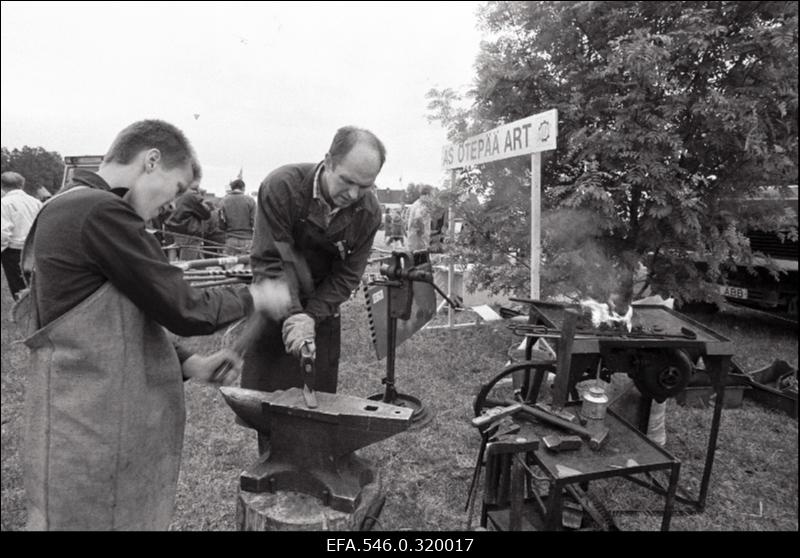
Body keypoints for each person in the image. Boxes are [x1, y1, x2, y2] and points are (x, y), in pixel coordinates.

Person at [18, 119, 291, 531]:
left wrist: (189, 364)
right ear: (151, 160)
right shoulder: (98, 210)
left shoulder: (69, 202)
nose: (173, 205)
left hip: (85, 413)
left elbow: (112, 313)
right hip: (92, 424)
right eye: (178, 189)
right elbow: (183, 306)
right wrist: (256, 295)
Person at [243, 125, 385, 453]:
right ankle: (271, 458)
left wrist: (311, 316)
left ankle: (310, 457)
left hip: (321, 310)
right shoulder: (283, 187)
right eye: (346, 181)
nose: (352, 194)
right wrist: (294, 316)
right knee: (269, 403)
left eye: (364, 186)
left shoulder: (369, 213)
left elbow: (348, 275)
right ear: (328, 161)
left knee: (315, 404)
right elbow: (270, 259)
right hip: (276, 297)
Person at [1, 171, 43, 300]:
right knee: (35, 286)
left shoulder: (4, 203)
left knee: (19, 289)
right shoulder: (35, 202)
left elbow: (3, 232)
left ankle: (24, 316)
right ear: (22, 185)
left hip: (14, 252)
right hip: (34, 249)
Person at [165, 181, 210, 260]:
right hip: (190, 233)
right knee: (187, 263)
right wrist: (202, 198)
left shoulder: (179, 194)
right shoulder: (191, 195)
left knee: (195, 262)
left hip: (179, 231)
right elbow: (206, 214)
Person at [220, 178, 256, 255]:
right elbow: (254, 222)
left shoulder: (223, 201)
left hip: (231, 239)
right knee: (248, 265)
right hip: (247, 239)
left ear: (232, 188)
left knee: (230, 265)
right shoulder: (250, 200)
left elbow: (221, 223)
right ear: (243, 188)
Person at [406, 184, 434, 251]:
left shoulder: (418, 204)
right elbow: (417, 222)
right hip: (418, 244)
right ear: (427, 195)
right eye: (432, 196)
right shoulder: (420, 206)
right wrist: (423, 242)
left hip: (416, 242)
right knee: (418, 259)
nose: (432, 199)